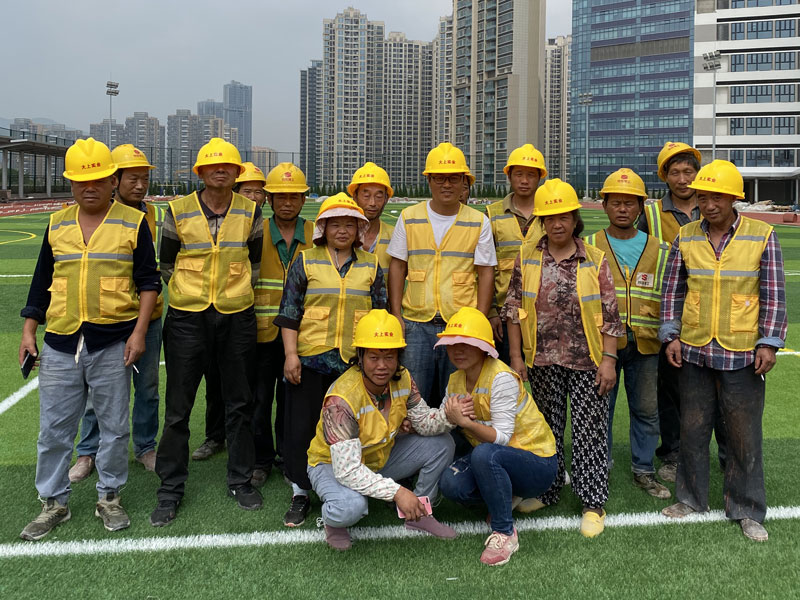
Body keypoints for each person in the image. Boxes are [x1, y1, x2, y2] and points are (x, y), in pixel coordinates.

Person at [19, 138, 160, 540]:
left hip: (113, 341)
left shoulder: (132, 222)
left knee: (114, 427)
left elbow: (149, 282)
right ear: (71, 183)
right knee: (54, 429)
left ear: (112, 181)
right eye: (82, 181)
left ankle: (109, 497)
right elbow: (41, 282)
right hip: (60, 342)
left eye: (98, 179)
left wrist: (139, 333)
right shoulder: (57, 223)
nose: (90, 188)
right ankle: (53, 502)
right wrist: (29, 331)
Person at [659, 160, 786, 542]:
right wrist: (671, 334)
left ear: (734, 199)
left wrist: (769, 342)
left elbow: (774, 295)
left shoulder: (761, 235)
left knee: (744, 435)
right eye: (703, 197)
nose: (709, 204)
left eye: (718, 197)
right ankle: (690, 498)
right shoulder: (686, 237)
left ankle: (747, 509)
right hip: (695, 350)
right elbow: (673, 291)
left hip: (742, 354)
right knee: (692, 429)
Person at [151, 138, 264, 527]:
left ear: (237, 173)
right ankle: (170, 489)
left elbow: (254, 264)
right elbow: (166, 264)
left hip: (237, 317)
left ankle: (240, 480)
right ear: (199, 172)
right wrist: (193, 294)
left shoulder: (250, 210)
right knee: (178, 408)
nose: (220, 171)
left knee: (240, 402)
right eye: (212, 166)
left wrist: (230, 296)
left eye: (228, 166)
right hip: (187, 318)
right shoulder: (178, 210)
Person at [504, 178, 624, 538]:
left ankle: (592, 503)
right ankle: (549, 490)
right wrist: (516, 357)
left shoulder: (594, 259)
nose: (557, 224)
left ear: (575, 219)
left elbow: (610, 315)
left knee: (590, 432)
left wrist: (609, 360)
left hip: (588, 361)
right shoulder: (527, 258)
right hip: (542, 361)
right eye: (550, 218)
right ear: (542, 222)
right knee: (547, 432)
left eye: (564, 217)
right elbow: (513, 311)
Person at [274, 193, 386, 527]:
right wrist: (291, 355)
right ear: (323, 228)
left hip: (352, 366)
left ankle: (344, 486)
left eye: (349, 225)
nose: (342, 231)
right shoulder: (306, 261)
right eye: (335, 224)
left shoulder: (371, 264)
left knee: (347, 431)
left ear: (358, 229)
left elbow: (380, 314)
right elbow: (290, 312)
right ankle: (300, 492)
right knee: (302, 429)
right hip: (310, 361)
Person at [307, 309, 459, 550]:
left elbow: (423, 421)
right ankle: (332, 521)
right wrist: (398, 492)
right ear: (360, 356)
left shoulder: (403, 378)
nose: (382, 366)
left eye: (389, 357)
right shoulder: (341, 400)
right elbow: (347, 470)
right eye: (373, 357)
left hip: (378, 456)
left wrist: (450, 416)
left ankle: (419, 513)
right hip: (331, 465)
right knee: (350, 507)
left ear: (399, 356)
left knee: (442, 443)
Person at [69, 144, 164, 481]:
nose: (140, 185)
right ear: (115, 180)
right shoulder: (98, 214)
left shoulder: (155, 215)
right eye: (132, 178)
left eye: (144, 179)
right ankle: (88, 451)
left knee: (147, 386)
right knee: (97, 390)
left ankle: (145, 446)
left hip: (148, 317)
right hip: (107, 319)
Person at [437, 307, 557, 566]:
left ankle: (505, 532)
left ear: (484, 348)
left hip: (537, 462)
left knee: (484, 453)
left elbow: (501, 438)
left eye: (466, 344)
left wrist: (463, 422)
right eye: (452, 344)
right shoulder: (455, 380)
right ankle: (506, 496)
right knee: (450, 484)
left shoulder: (501, 377)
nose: (458, 350)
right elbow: (442, 419)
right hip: (497, 460)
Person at [639, 141, 726, 483]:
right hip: (668, 313)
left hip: (712, 313)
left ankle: (727, 455)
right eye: (674, 172)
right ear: (665, 177)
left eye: (688, 171)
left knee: (721, 388)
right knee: (671, 389)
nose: (683, 178)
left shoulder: (713, 208)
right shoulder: (650, 215)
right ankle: (673, 453)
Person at [387, 142, 497, 407]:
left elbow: (486, 273)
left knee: (459, 401)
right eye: (439, 178)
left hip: (460, 325)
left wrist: (478, 321)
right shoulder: (409, 217)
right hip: (416, 323)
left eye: (453, 178)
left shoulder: (478, 221)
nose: (446, 185)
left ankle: (457, 439)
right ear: (429, 181)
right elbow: (397, 267)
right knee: (413, 401)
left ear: (464, 182)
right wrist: (397, 315)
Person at [584, 168, 670, 499]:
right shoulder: (589, 246)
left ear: (640, 207)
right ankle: (599, 465)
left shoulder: (660, 249)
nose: (623, 209)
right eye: (616, 202)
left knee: (647, 409)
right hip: (602, 344)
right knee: (599, 408)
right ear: (605, 205)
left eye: (630, 203)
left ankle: (643, 469)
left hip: (646, 343)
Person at [190, 161, 268, 464]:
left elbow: (256, 267)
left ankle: (249, 444)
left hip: (255, 320)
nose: (254, 197)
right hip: (220, 314)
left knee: (249, 388)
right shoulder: (226, 221)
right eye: (248, 191)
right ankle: (215, 435)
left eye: (259, 192)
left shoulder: (261, 223)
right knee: (215, 380)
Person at [486, 144, 547, 364]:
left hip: (543, 312)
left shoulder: (549, 213)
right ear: (509, 176)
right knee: (503, 377)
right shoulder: (492, 214)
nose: (524, 180)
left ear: (539, 178)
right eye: (519, 174)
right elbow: (484, 268)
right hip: (503, 315)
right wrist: (491, 311)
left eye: (531, 175)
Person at [348, 162, 394, 275]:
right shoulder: (341, 235)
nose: (372, 203)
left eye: (378, 196)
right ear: (355, 197)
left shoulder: (395, 236)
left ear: (386, 198)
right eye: (366, 196)